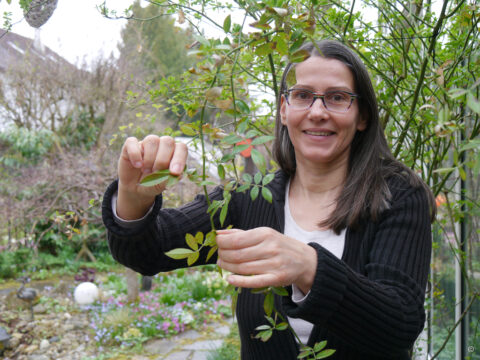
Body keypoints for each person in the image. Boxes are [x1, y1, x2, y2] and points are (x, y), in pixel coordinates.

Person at [102, 39, 436, 359]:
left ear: (362, 115)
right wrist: (133, 196)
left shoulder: (399, 196)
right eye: (302, 95)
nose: (318, 111)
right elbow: (147, 252)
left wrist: (308, 267)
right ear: (283, 110)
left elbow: (399, 325)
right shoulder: (247, 197)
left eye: (337, 97)